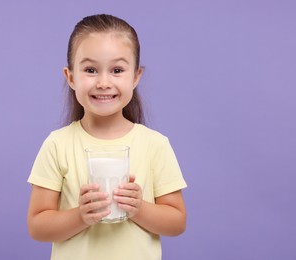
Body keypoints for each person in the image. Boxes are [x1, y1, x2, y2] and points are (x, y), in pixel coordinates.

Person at [27, 14, 187, 260]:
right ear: (70, 77)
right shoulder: (58, 144)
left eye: (117, 70)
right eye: (90, 70)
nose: (103, 82)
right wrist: (80, 215)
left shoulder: (155, 145)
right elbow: (37, 226)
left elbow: (177, 223)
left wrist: (139, 208)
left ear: (135, 77)